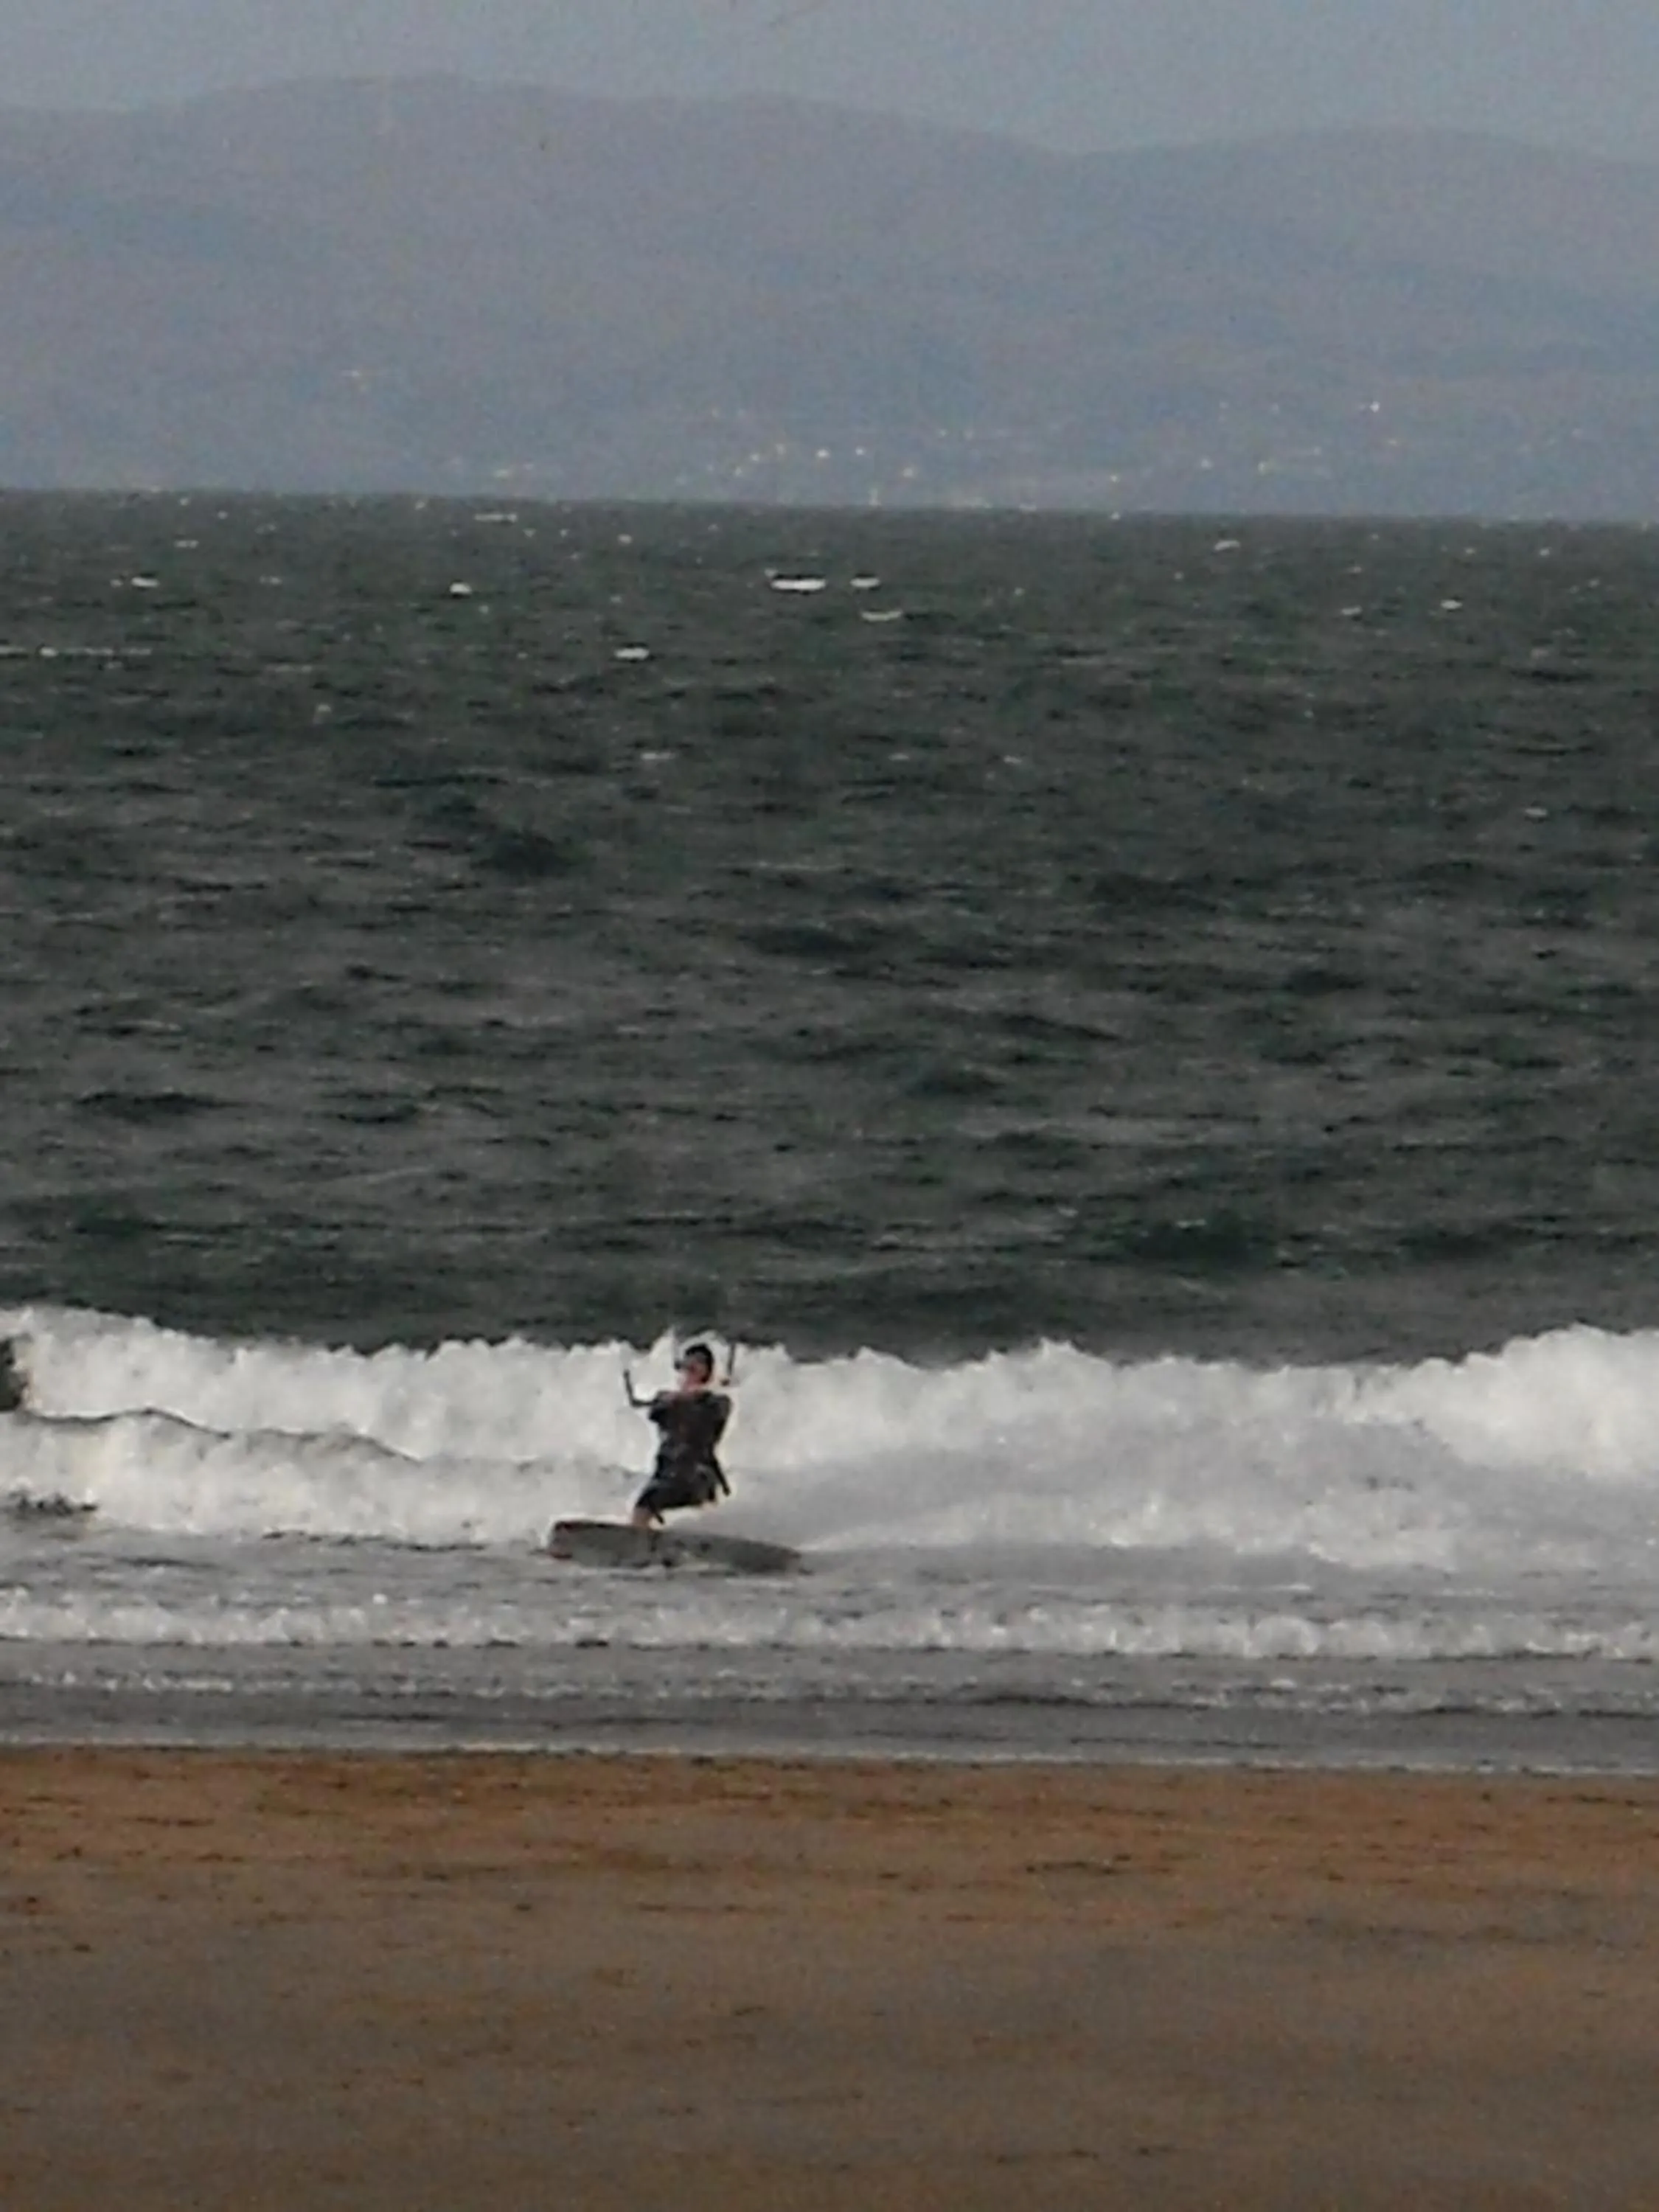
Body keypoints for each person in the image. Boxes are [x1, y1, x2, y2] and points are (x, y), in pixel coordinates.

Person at [625, 1343, 731, 1529]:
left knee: (705, 1507)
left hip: (698, 1474)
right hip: (667, 1474)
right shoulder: (667, 1400)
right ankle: (639, 1541)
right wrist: (677, 1398)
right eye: (688, 1366)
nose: (691, 1372)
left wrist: (697, 1394)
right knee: (643, 1506)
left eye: (698, 1365)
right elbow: (656, 1411)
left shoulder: (716, 1402)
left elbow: (718, 1412)